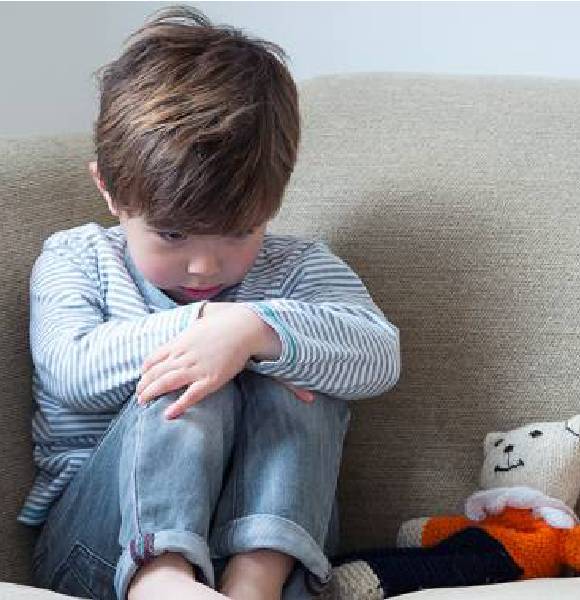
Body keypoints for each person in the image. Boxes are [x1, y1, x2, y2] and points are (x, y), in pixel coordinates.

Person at [17, 5, 401, 600]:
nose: (204, 266)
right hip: (103, 547)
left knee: (301, 368)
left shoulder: (295, 267)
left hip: (277, 547)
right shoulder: (78, 259)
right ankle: (162, 575)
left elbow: (379, 356)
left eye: (237, 235)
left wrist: (254, 329)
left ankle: (257, 582)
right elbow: (72, 372)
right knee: (190, 370)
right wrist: (206, 325)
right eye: (172, 236)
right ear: (110, 191)